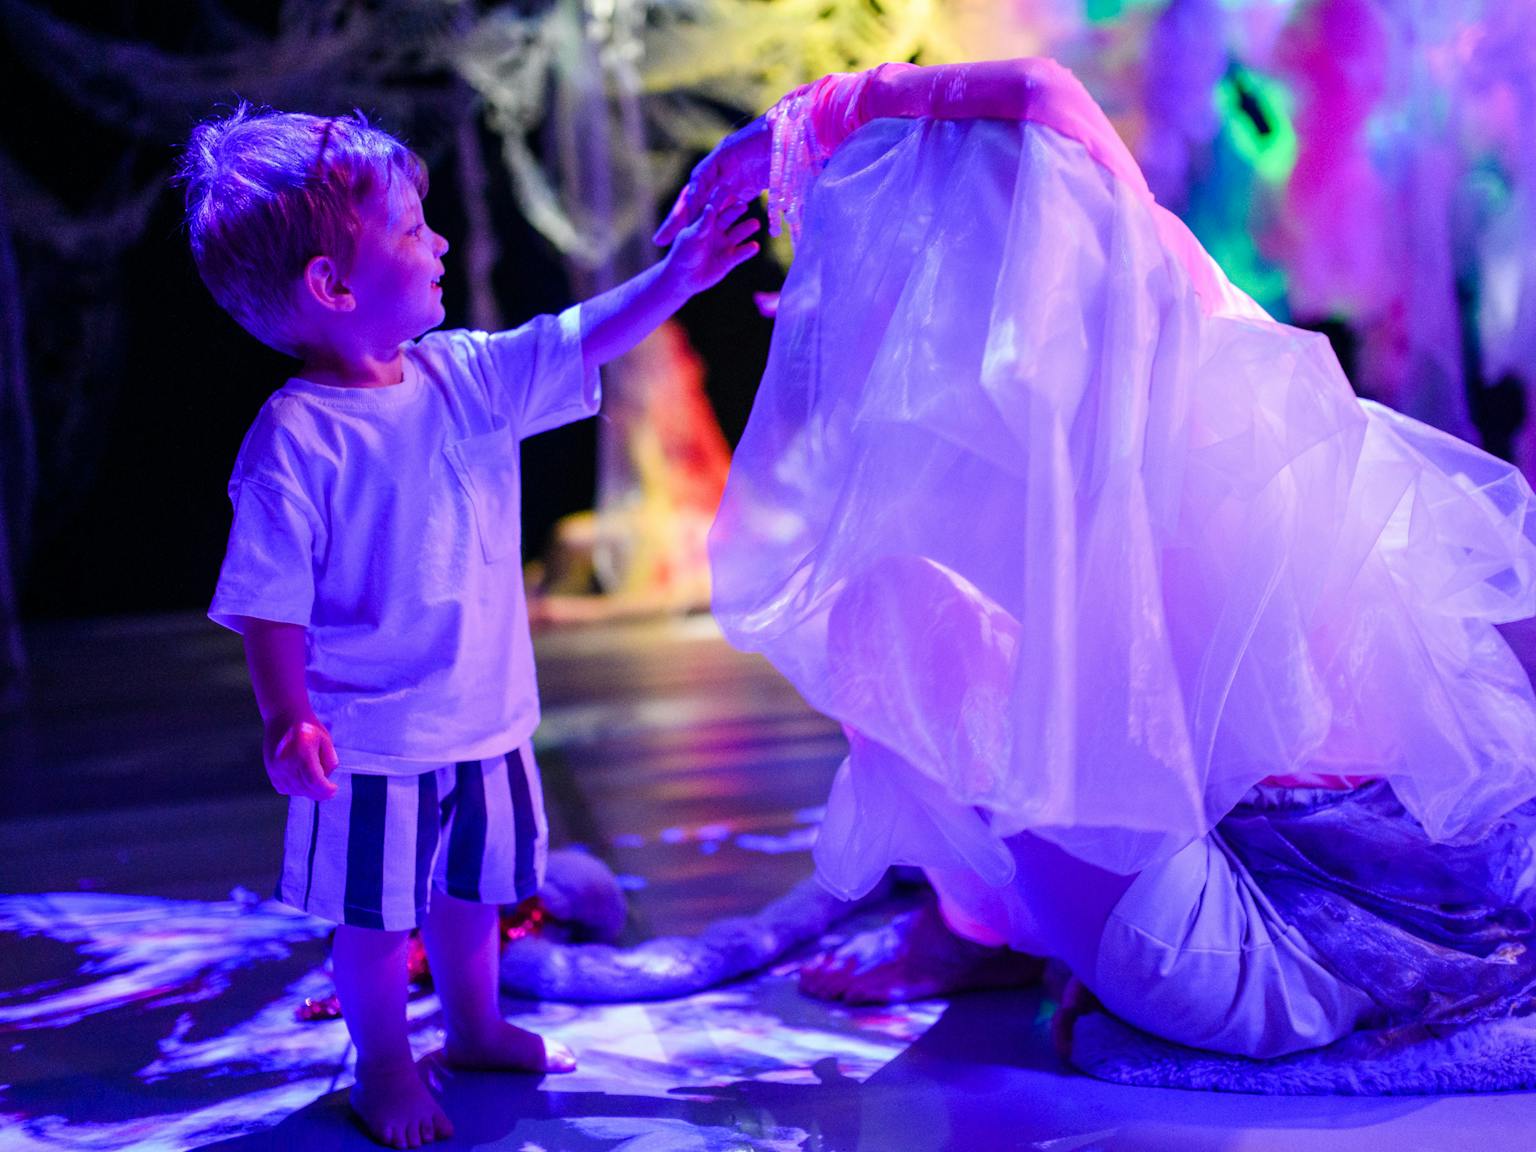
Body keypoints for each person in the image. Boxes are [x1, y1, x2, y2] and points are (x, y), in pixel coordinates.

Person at [657, 60, 1536, 1059]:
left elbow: (1039, 96)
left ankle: (984, 930)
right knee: (963, 640)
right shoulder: (1189, 329)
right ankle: (991, 930)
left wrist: (800, 122)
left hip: (1234, 961)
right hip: (1280, 927)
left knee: (889, 609)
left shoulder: (1133, 414)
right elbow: (1045, 106)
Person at [180, 106, 757, 1148]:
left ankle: (478, 1025)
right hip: (374, 746)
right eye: (410, 229)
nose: (437, 242)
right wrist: (288, 715)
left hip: (488, 718)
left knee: (474, 889)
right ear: (334, 287)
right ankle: (386, 1063)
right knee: (375, 917)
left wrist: (676, 281)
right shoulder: (298, 439)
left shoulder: (463, 376)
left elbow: (581, 334)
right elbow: (270, 593)